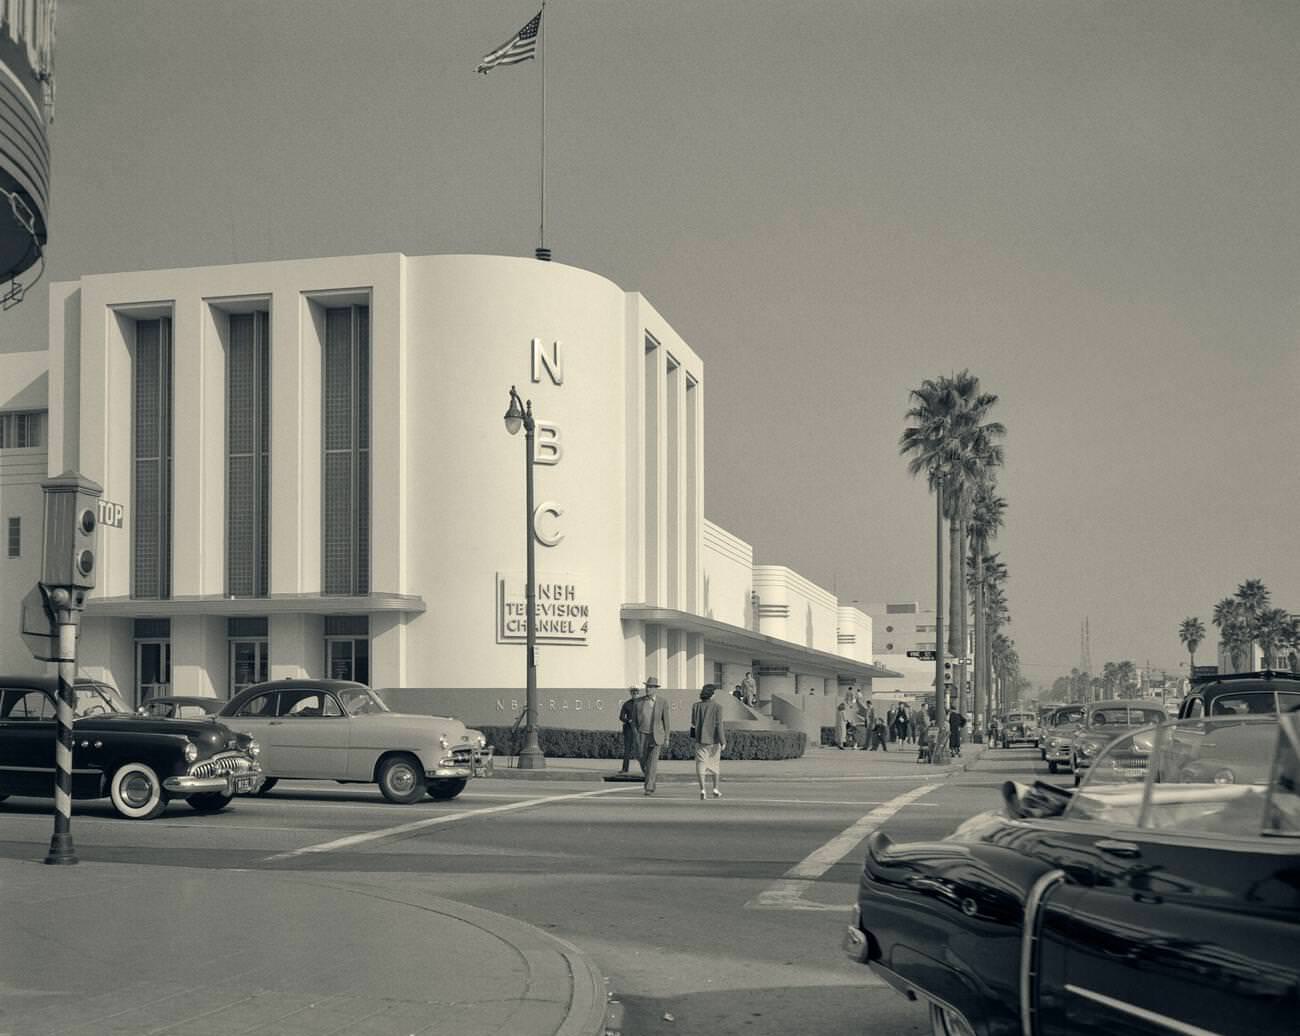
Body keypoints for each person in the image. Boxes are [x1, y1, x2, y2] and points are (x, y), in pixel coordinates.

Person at [690, 684, 726, 799]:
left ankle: (702, 790)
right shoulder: (718, 707)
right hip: (714, 740)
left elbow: (693, 724)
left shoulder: (696, 706)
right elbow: (719, 725)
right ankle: (715, 789)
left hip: (700, 739)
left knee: (701, 763)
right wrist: (723, 741)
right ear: (712, 694)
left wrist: (694, 737)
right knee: (714, 765)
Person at [637, 677, 671, 795]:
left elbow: (666, 721)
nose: (648, 689)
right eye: (647, 686)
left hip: (657, 736)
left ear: (655, 689)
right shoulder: (639, 702)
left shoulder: (662, 702)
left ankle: (649, 787)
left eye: (651, 687)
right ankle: (650, 779)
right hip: (642, 735)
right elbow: (635, 720)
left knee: (652, 762)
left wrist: (667, 737)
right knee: (641, 758)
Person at [618, 686, 641, 774]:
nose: (635, 695)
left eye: (636, 693)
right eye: (633, 693)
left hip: (640, 730)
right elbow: (621, 717)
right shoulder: (627, 704)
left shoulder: (642, 704)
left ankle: (646, 768)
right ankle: (625, 769)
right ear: (631, 694)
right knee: (627, 750)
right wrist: (628, 720)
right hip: (629, 730)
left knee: (641, 749)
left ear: (638, 694)